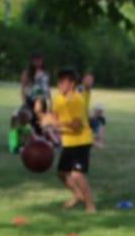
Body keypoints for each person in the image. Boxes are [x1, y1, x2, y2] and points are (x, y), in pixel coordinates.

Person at [40, 68, 96, 212]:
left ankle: (90, 206)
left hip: (81, 140)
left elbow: (75, 124)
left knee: (77, 175)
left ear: (72, 84)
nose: (59, 85)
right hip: (68, 141)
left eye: (63, 82)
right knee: (62, 172)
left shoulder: (78, 99)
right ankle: (78, 195)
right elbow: (54, 115)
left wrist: (55, 124)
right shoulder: (58, 98)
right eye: (59, 82)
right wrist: (44, 117)